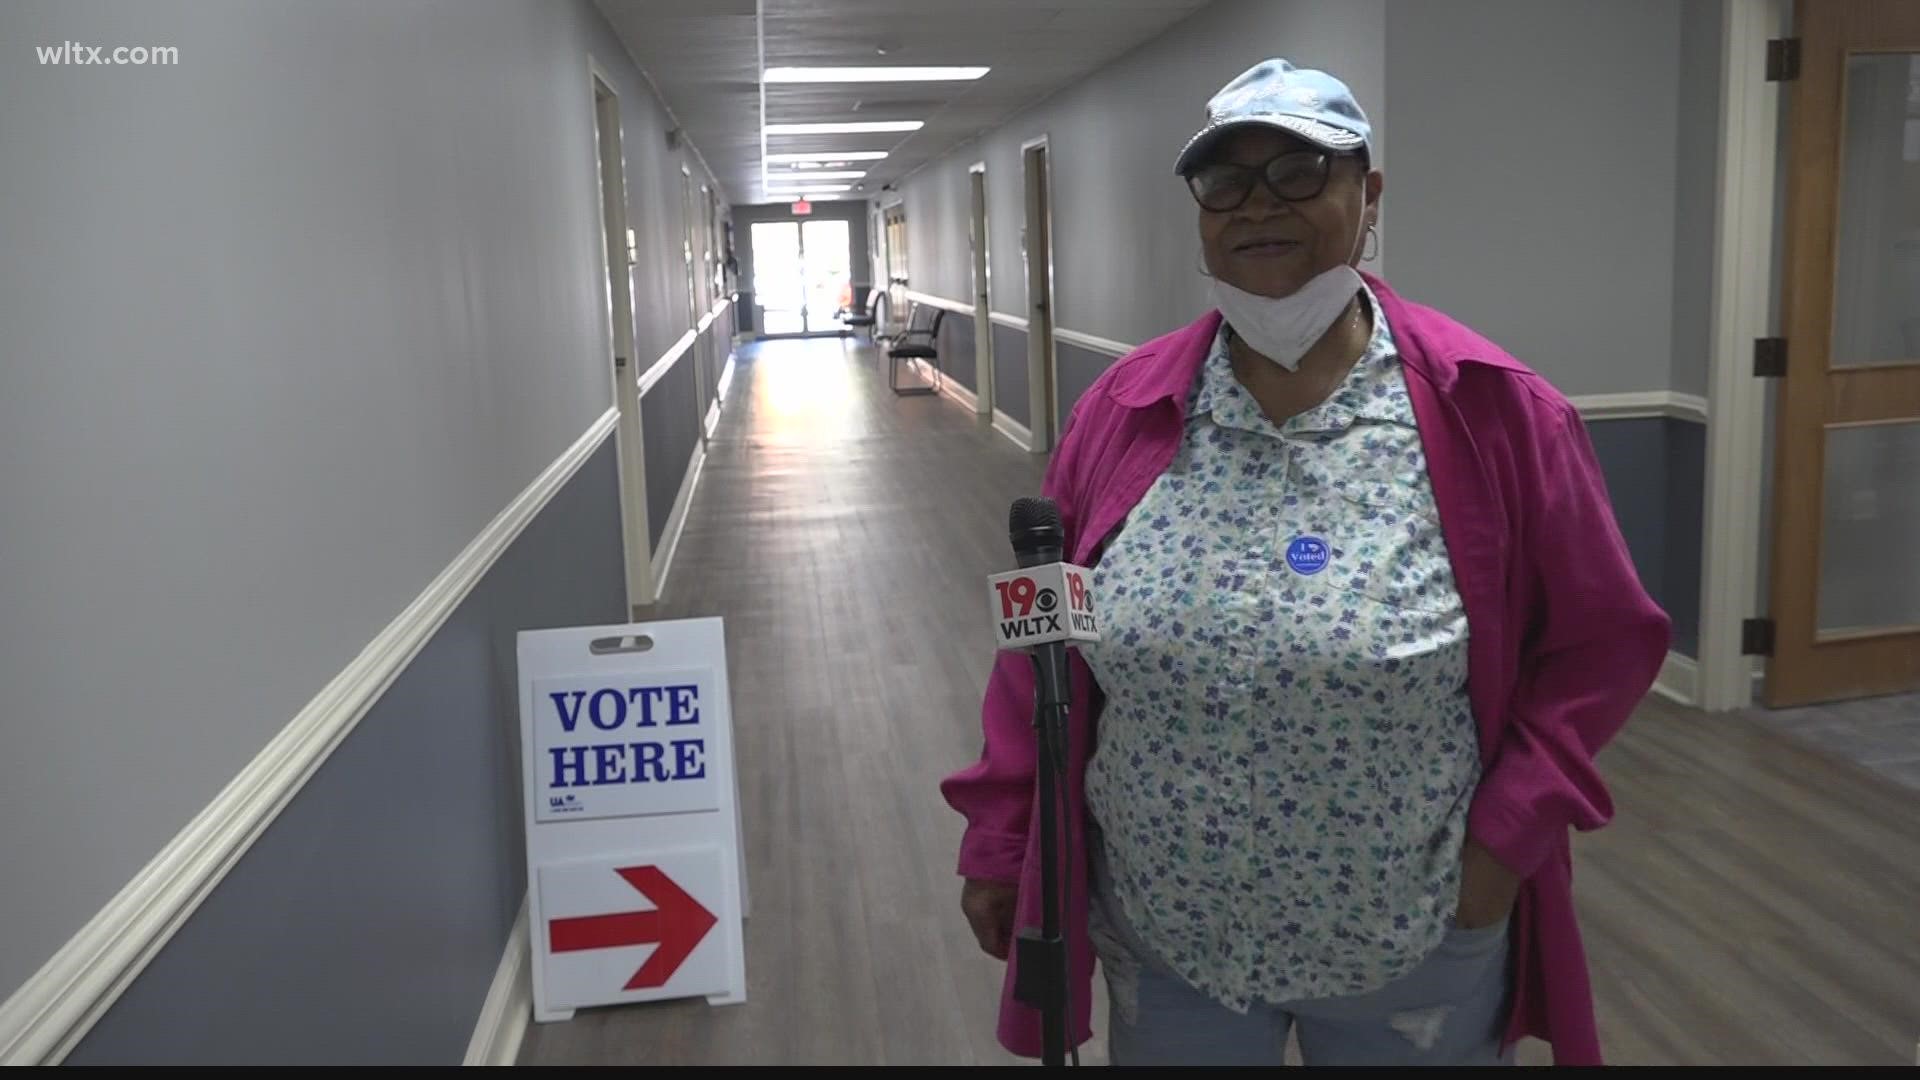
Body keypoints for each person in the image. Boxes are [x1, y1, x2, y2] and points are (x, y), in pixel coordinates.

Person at [940, 58, 1668, 1066]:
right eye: (1225, 181)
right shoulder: (1119, 414)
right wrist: (1003, 840)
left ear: (1367, 196)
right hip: (1166, 929)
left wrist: (1504, 844)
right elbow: (1038, 655)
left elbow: (1601, 646)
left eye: (1299, 172)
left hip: (1410, 931)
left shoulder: (1495, 413)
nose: (1257, 205)